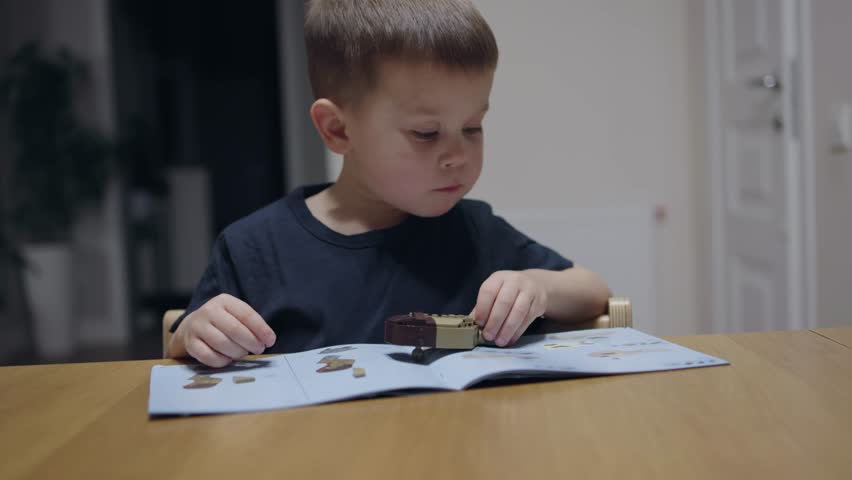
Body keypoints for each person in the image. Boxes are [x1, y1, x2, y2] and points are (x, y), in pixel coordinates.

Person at [167, 0, 611, 367]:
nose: (458, 155)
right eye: (426, 133)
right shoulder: (254, 248)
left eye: (473, 127)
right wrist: (194, 332)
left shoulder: (475, 231)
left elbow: (593, 291)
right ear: (338, 130)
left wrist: (538, 286)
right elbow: (180, 339)